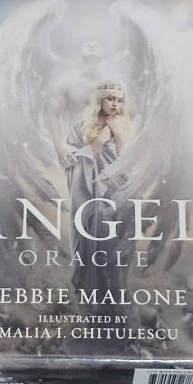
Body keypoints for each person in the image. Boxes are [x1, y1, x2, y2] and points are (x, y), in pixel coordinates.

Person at [65, 81, 136, 317]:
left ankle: (116, 307)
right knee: (89, 251)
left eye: (120, 100)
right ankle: (90, 309)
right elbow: (74, 164)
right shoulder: (80, 128)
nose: (115, 104)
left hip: (118, 194)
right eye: (111, 99)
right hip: (89, 195)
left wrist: (118, 134)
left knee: (116, 252)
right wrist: (100, 140)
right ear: (100, 100)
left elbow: (128, 163)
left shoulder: (126, 127)